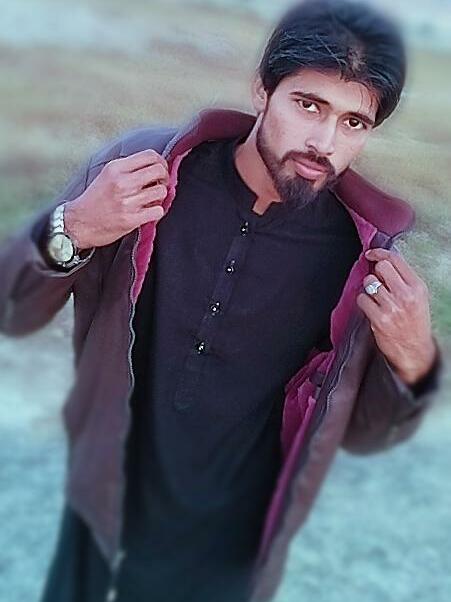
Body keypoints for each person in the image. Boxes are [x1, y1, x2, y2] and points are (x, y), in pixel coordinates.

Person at [0, 1, 442, 601]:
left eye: (353, 122)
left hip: (228, 559)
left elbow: (365, 436)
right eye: (308, 105)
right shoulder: (146, 175)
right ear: (263, 90)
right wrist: (74, 227)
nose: (324, 142)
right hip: (101, 514)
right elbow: (14, 308)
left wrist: (415, 362)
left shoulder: (359, 259)